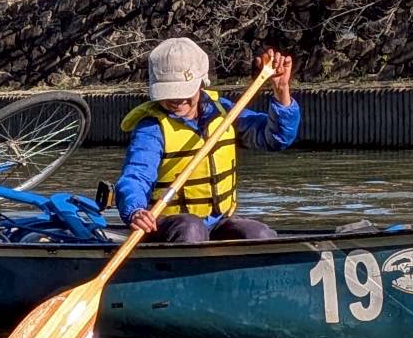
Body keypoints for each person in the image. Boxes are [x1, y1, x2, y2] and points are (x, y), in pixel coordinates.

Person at [115, 38, 299, 243]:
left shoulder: (224, 112)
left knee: (259, 234)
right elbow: (136, 176)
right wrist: (136, 211)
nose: (177, 100)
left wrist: (281, 90)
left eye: (184, 91)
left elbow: (276, 138)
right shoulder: (151, 129)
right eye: (170, 92)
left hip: (218, 222)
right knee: (191, 228)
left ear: (202, 83)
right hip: (167, 226)